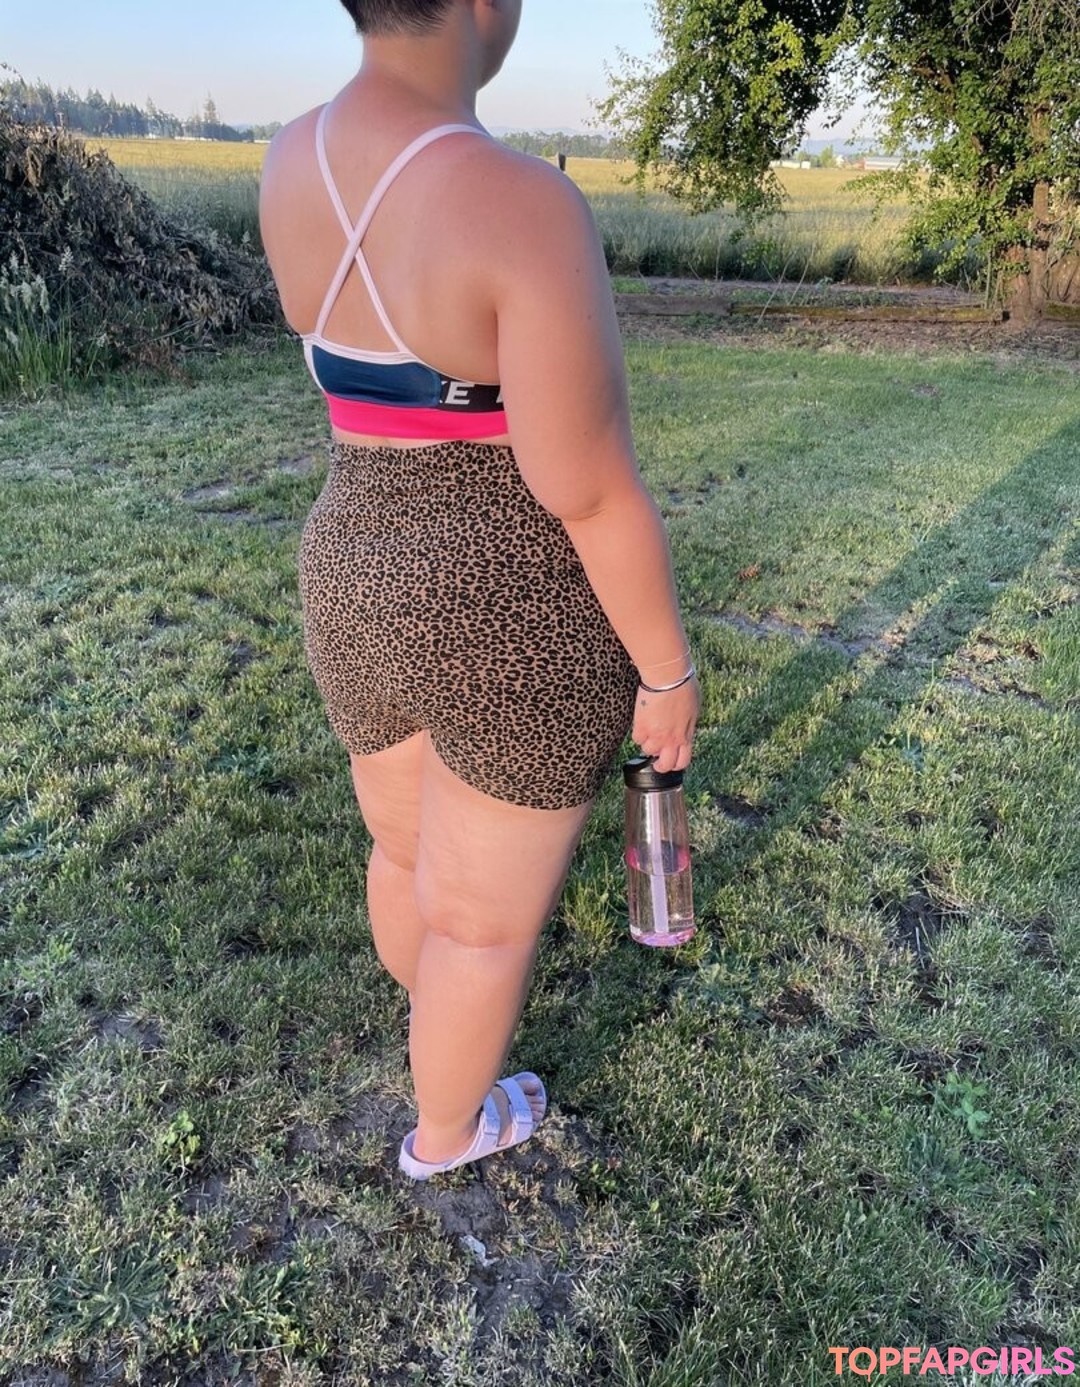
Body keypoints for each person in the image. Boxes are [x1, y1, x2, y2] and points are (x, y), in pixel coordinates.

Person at [258, 0, 699, 1180]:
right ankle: (449, 1127)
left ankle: (436, 1032)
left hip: (351, 560)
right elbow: (587, 488)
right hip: (510, 592)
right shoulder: (520, 204)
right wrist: (667, 671)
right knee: (481, 924)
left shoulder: (291, 160)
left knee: (405, 857)